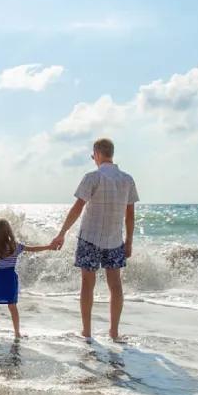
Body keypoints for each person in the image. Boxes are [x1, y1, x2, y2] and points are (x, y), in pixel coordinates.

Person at [51, 138, 139, 341]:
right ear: (112, 154)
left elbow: (78, 207)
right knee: (115, 285)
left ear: (97, 154)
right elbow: (130, 215)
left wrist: (62, 233)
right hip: (115, 239)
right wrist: (130, 242)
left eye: (93, 156)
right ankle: (114, 332)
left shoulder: (92, 177)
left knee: (87, 285)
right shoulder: (127, 179)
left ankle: (87, 332)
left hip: (90, 237)